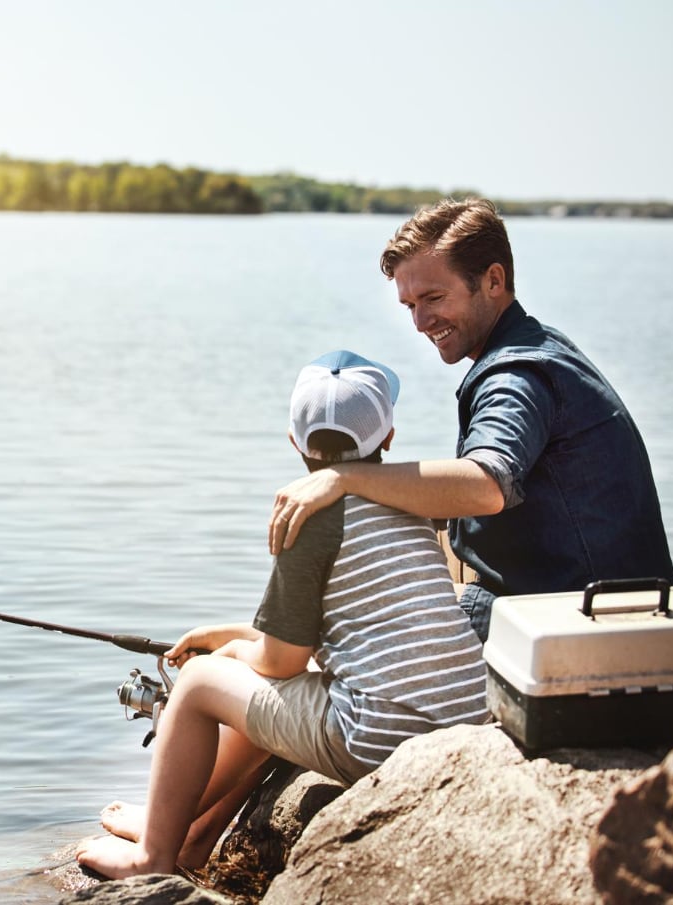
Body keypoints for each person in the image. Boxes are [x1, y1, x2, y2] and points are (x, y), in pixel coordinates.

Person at [78, 351, 489, 880]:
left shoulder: (309, 514)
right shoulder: (413, 503)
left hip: (381, 737)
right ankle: (186, 831)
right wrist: (230, 634)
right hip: (460, 721)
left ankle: (152, 856)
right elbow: (335, 637)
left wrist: (229, 653)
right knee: (257, 692)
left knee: (203, 683)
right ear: (388, 438)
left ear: (294, 441)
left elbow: (279, 664)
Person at [268, 199, 673, 640]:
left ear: (493, 281)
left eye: (434, 298)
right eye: (410, 306)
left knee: (353, 632)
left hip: (569, 621)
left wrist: (342, 478)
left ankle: (266, 649)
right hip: (593, 604)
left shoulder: (515, 376)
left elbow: (486, 485)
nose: (422, 322)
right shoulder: (540, 346)